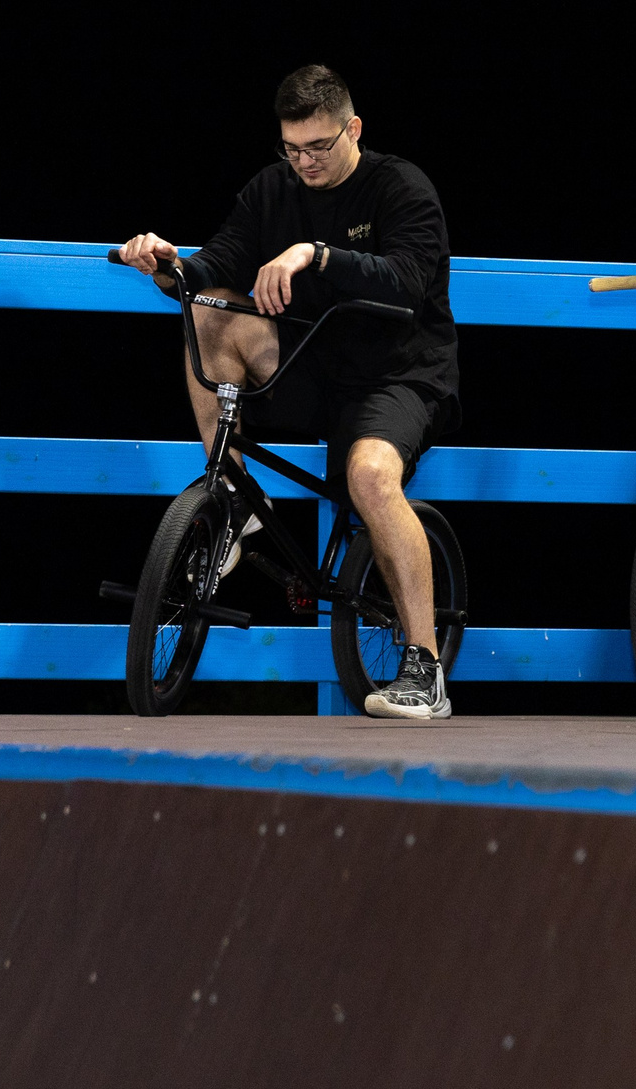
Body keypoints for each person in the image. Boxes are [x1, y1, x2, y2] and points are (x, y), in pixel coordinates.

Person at [116, 65, 461, 720]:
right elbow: (213, 266)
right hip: (309, 367)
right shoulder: (272, 190)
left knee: (370, 479)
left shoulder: (400, 187)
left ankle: (425, 667)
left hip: (397, 374)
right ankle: (231, 503)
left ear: (352, 129)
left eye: (319, 148)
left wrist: (316, 253)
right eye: (292, 148)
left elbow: (409, 280)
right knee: (206, 309)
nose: (304, 162)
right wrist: (167, 266)